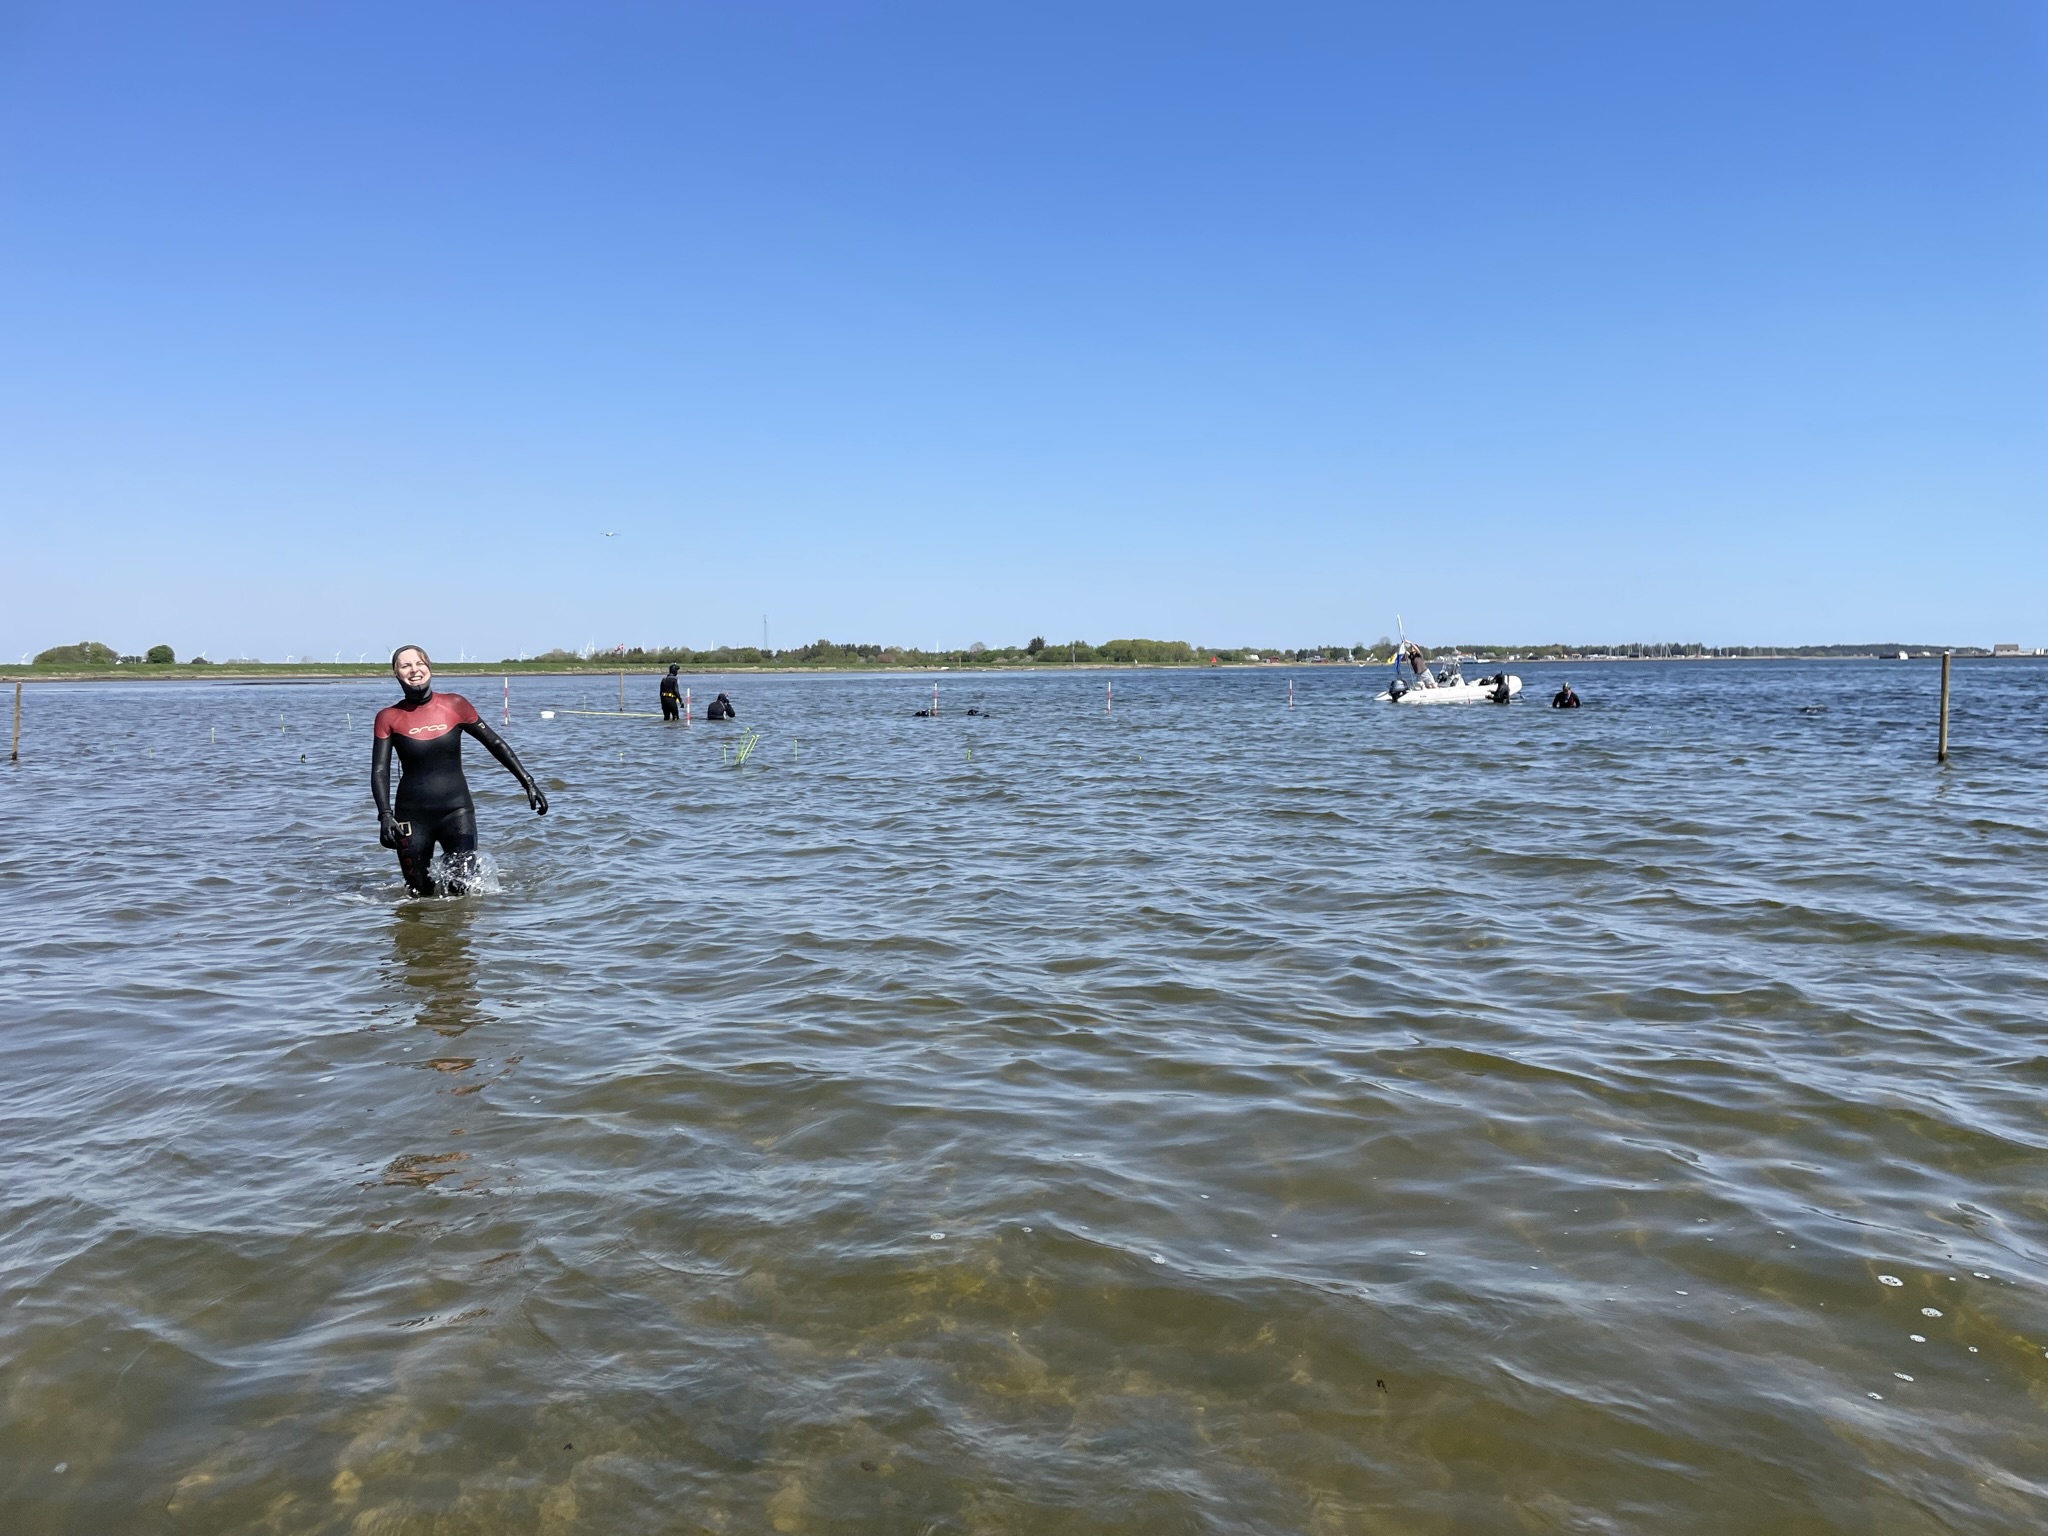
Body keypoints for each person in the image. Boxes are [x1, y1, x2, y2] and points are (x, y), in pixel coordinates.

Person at [372, 645, 548, 895]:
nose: (414, 670)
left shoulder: (455, 705)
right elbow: (380, 771)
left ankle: (457, 931)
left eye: (419, 663)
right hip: (411, 818)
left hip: (456, 811)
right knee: (417, 893)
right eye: (405, 665)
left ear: (429, 667)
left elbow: (495, 743)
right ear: (396, 674)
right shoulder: (388, 717)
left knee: (461, 889)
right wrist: (385, 815)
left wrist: (528, 782)